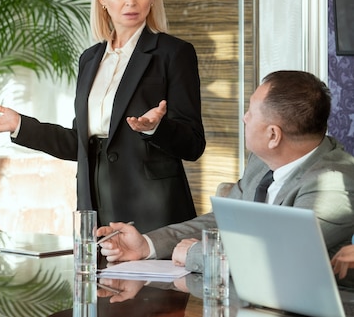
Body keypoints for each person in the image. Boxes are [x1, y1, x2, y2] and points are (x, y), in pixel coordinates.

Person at [0, 0, 206, 233]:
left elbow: (193, 145)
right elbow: (77, 144)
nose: (131, 2)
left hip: (154, 212)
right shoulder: (90, 59)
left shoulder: (174, 53)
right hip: (94, 207)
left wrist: (156, 128)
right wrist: (20, 125)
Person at [96, 70, 354, 273]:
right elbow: (222, 221)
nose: (244, 118)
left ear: (273, 135)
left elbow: (282, 258)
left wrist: (198, 254)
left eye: (251, 112)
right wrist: (148, 245)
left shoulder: (332, 184)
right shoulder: (261, 162)